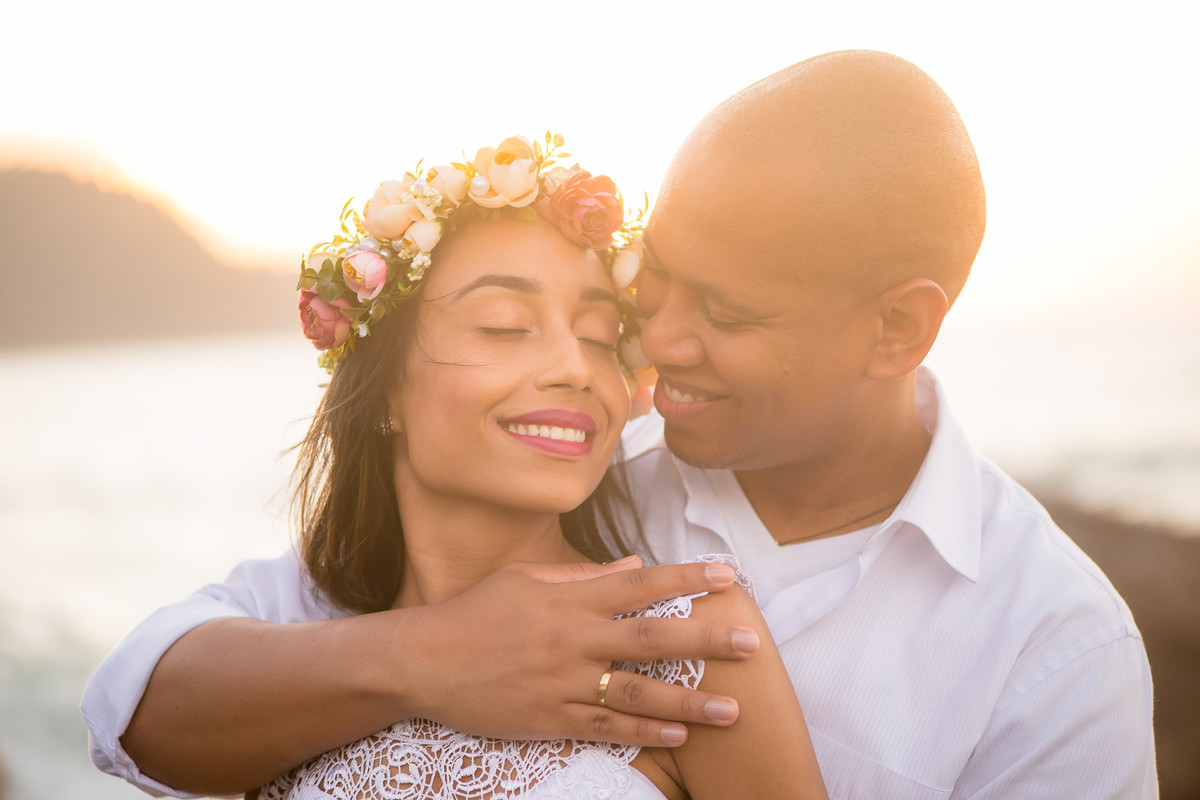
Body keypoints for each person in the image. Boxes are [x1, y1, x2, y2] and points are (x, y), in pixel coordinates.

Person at [84, 51, 1157, 798]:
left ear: (897, 328)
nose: (653, 348)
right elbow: (136, 708)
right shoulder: (546, 482)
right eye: (657, 287)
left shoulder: (1059, 652)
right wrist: (436, 655)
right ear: (387, 387)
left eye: (723, 312)